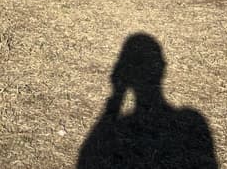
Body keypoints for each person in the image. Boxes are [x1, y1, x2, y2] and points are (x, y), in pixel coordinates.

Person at [77, 33, 218, 169]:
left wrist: (116, 98)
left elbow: (88, 155)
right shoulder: (193, 121)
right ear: (162, 67)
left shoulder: (118, 129)